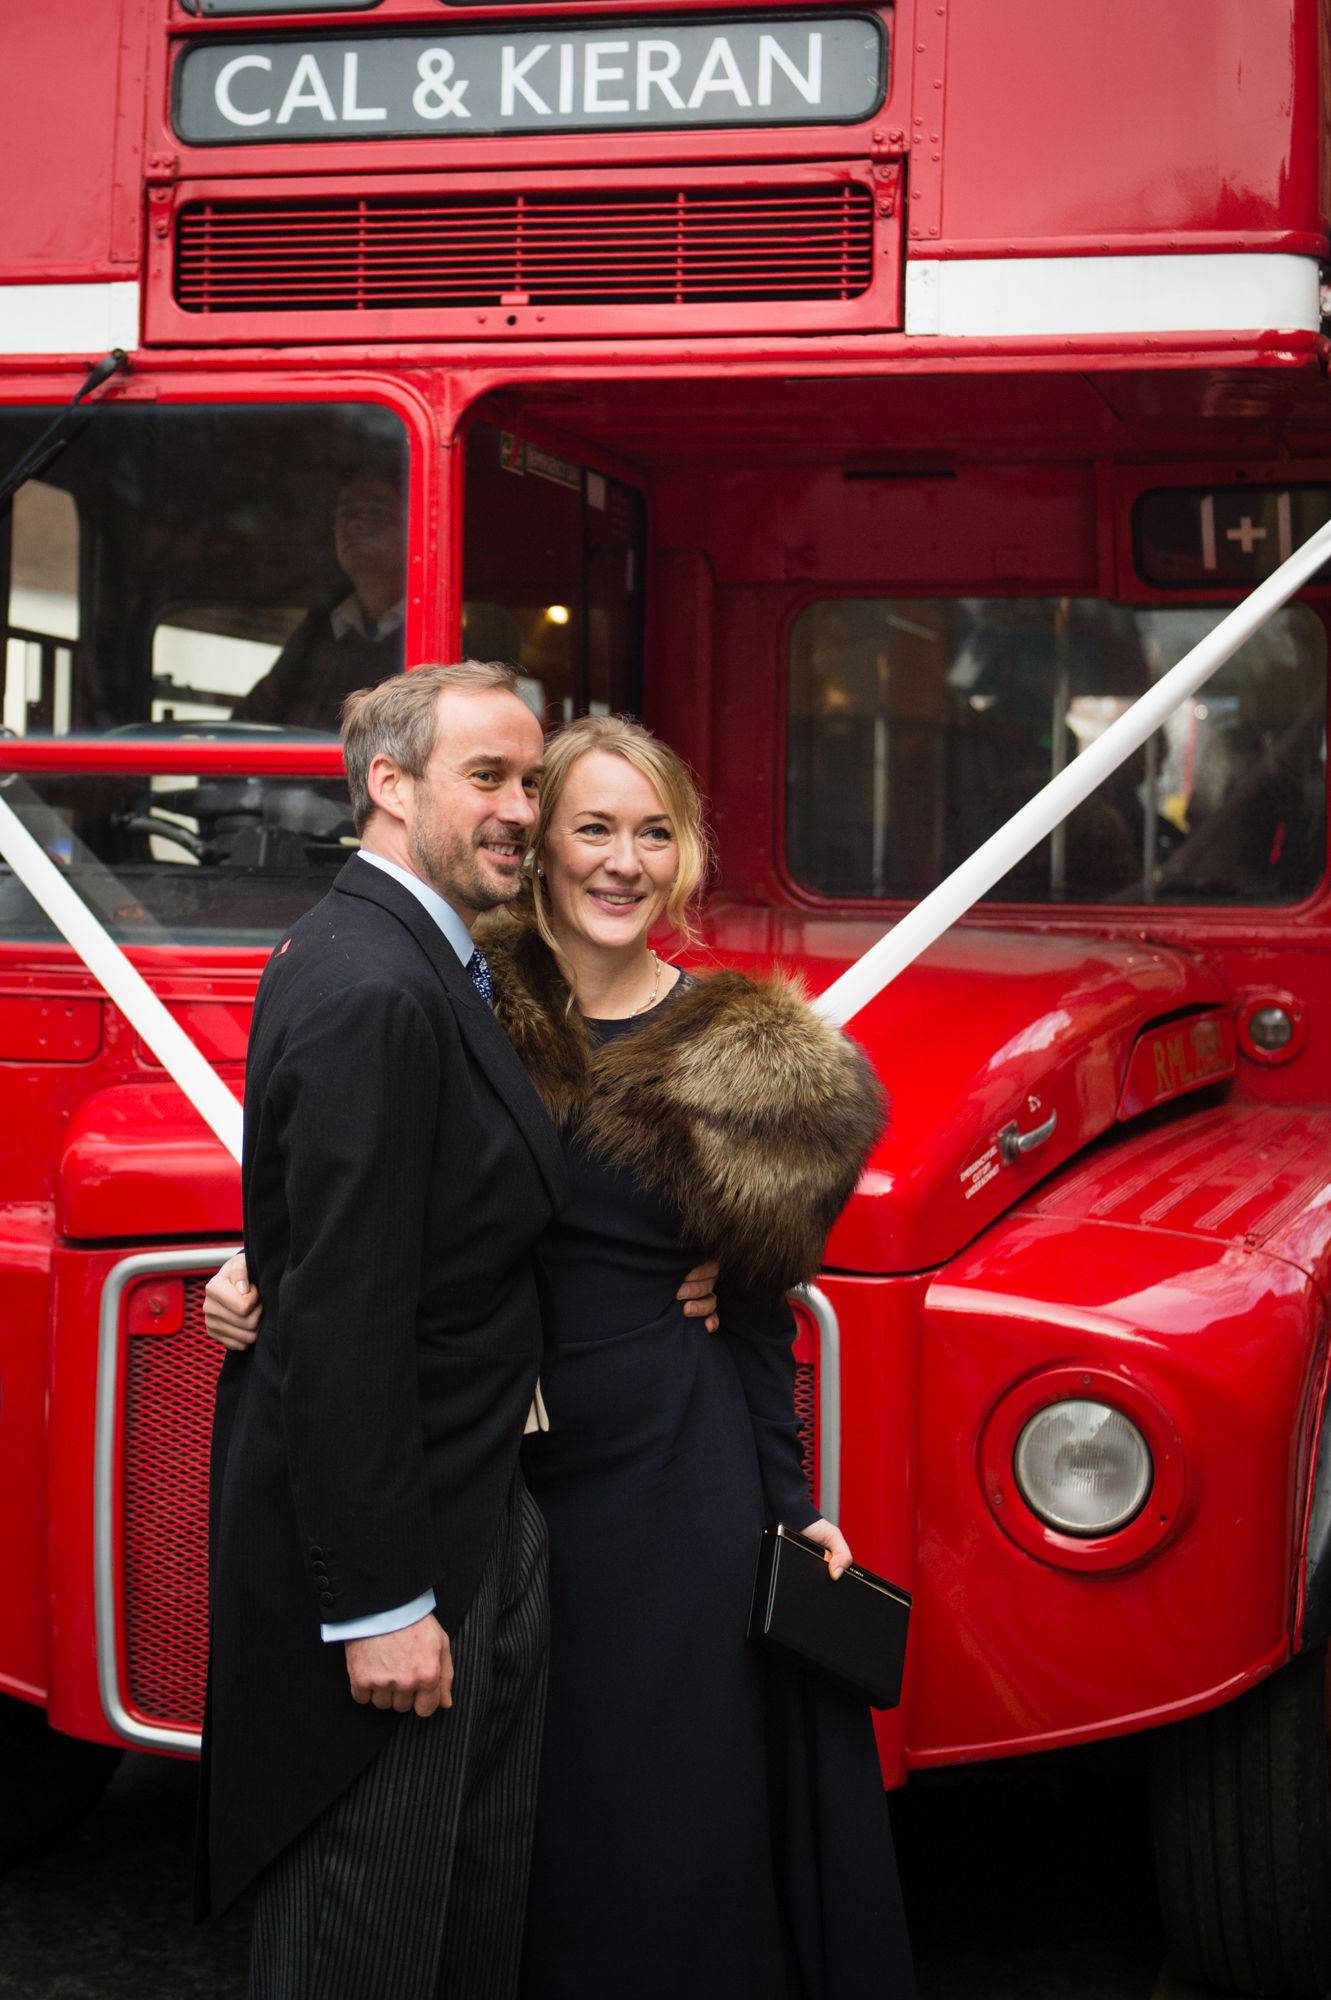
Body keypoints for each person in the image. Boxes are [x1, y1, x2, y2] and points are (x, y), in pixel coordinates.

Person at [206, 713, 914, 1999]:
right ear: (539, 844)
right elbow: (367, 1189)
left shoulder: (748, 1067)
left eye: (653, 832)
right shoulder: (453, 997)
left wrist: (794, 1505)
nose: (621, 859)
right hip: (494, 1488)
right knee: (489, 1848)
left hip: (666, 1487)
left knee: (648, 1827)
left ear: (685, 856)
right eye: (590, 825)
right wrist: (264, 1260)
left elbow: (753, 1324)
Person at [232, 469, 407, 730]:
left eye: (377, 512)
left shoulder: (437, 626)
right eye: (346, 513)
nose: (356, 524)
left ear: (412, 526)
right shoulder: (319, 628)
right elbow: (252, 721)